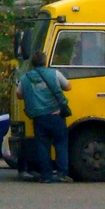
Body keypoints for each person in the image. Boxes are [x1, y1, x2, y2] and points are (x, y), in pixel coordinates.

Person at [17, 50, 72, 183]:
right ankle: (62, 173)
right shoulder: (54, 73)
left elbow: (19, 95)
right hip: (56, 116)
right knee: (60, 144)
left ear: (33, 63)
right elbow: (68, 87)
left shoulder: (25, 78)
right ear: (45, 61)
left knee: (42, 147)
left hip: (39, 118)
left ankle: (46, 176)